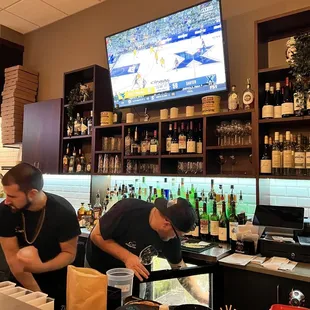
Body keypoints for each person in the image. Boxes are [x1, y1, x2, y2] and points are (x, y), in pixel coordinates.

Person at [86, 197, 209, 304]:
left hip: (133, 277)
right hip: (99, 268)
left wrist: (202, 296)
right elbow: (96, 236)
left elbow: (179, 268)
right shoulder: (127, 210)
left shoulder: (172, 234)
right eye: (178, 235)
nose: (176, 238)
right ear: (166, 223)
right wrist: (127, 257)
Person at [0, 163, 81, 310]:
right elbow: (12, 258)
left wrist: (42, 268)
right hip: (21, 284)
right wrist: (39, 298)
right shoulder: (4, 211)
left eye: (12, 196)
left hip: (58, 284)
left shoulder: (63, 212)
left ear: (32, 193)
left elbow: (69, 254)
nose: (6, 200)